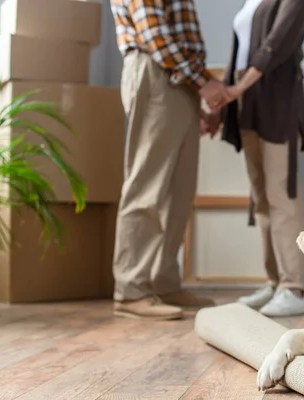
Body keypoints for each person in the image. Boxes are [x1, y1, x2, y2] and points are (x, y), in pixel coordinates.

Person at [110, 0, 231, 321]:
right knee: (146, 186)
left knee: (179, 191)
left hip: (177, 79)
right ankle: (131, 289)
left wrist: (196, 93)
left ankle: (163, 282)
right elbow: (154, 33)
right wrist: (204, 82)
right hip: (155, 71)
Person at [202, 0, 304, 317]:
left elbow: (275, 45)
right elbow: (236, 55)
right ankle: (275, 282)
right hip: (245, 99)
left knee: (282, 192)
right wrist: (223, 109)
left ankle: (293, 287)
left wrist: (236, 89)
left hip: (276, 98)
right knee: (261, 196)